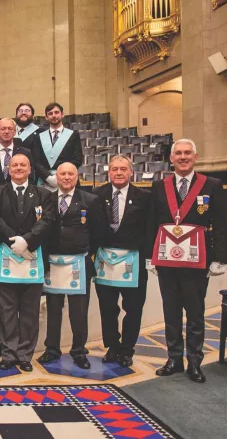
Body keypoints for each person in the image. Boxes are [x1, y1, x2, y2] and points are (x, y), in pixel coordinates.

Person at [146, 139, 227, 383]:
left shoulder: (212, 185)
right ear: (171, 158)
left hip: (198, 260)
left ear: (195, 156)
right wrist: (150, 256)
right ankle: (174, 359)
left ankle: (194, 362)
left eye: (187, 153)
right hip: (166, 260)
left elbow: (221, 225)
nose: (183, 157)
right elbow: (152, 222)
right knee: (170, 311)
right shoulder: (160, 186)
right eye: (178, 153)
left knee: (195, 312)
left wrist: (219, 258)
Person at [0, 154, 56, 372]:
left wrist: (27, 241)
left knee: (29, 311)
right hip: (4, 255)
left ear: (29, 168)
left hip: (33, 257)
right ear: (8, 169)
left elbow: (48, 221)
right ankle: (8, 353)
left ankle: (25, 354)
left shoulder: (44, 194)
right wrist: (13, 240)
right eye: (14, 165)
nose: (18, 168)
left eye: (22, 165)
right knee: (6, 310)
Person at [37, 163, 106, 369]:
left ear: (77, 177)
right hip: (52, 262)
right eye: (62, 174)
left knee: (79, 310)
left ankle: (78, 350)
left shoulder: (90, 200)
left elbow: (98, 232)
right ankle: (52, 349)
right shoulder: (46, 199)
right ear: (56, 177)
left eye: (70, 174)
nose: (66, 177)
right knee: (53, 309)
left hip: (78, 262)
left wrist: (84, 251)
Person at [94, 155, 151, 368]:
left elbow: (150, 227)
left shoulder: (144, 197)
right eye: (114, 169)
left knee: (133, 308)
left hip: (133, 260)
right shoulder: (97, 195)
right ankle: (113, 346)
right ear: (108, 172)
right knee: (108, 307)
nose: (118, 173)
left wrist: (149, 257)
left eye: (123, 169)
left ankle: (127, 349)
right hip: (105, 260)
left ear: (131, 172)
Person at [28, 102, 83, 190]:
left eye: (56, 112)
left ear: (62, 114)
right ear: (46, 117)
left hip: (67, 180)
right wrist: (48, 177)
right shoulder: (38, 137)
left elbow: (78, 159)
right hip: (44, 182)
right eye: (50, 113)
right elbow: (36, 161)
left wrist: (62, 175)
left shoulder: (73, 135)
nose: (53, 115)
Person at [0, 117, 33, 184]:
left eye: (10, 129)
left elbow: (31, 177)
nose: (6, 132)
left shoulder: (25, 153)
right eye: (3, 129)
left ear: (14, 132)